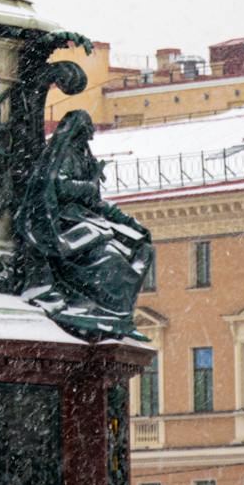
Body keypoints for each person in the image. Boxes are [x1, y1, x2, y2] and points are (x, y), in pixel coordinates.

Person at [16, 110, 155, 339]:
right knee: (112, 259)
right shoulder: (64, 154)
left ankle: (118, 318)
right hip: (65, 222)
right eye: (85, 134)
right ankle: (102, 314)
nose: (88, 140)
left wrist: (131, 224)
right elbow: (57, 186)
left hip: (88, 220)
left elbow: (97, 201)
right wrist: (89, 186)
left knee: (141, 249)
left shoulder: (83, 156)